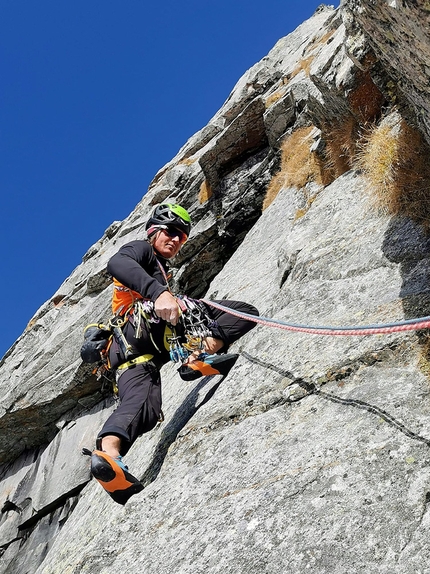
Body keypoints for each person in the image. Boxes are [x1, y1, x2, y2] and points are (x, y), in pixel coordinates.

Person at [89, 203, 258, 504]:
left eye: (182, 236)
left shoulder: (160, 269)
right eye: (171, 232)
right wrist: (160, 293)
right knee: (239, 312)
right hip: (140, 332)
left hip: (136, 355)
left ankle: (109, 456)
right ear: (153, 231)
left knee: (145, 407)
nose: (177, 240)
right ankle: (197, 358)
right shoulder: (141, 250)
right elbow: (117, 263)